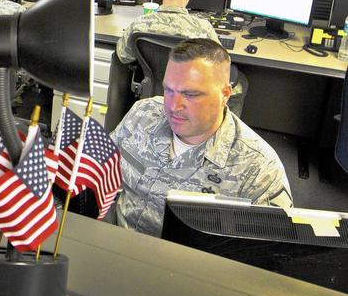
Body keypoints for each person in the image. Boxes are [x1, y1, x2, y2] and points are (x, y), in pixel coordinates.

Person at [111, 38, 292, 237]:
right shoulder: (142, 115)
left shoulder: (259, 169)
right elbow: (99, 169)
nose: (173, 106)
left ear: (225, 94)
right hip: (116, 242)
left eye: (191, 94)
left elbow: (267, 252)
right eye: (169, 90)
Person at [115, 0, 248, 115]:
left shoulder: (140, 24)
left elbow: (123, 56)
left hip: (154, 89)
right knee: (240, 81)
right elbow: (221, 65)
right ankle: (223, 132)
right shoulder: (202, 29)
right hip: (190, 96)